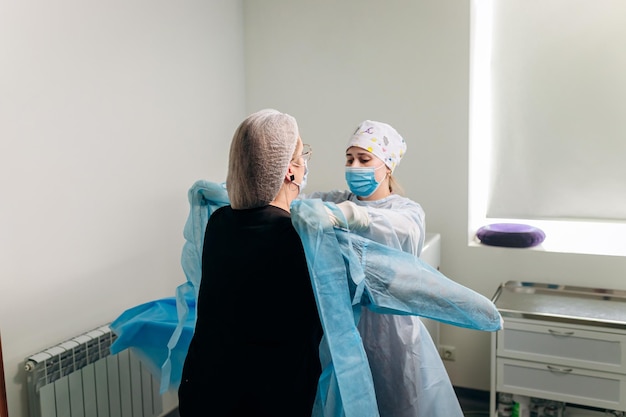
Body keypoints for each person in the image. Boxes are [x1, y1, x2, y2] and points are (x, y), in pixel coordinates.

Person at [307, 120, 464, 417]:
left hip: (390, 329)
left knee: (395, 400)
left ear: (388, 166)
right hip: (343, 325)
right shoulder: (338, 201)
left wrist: (360, 217)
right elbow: (295, 203)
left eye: (364, 159)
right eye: (349, 159)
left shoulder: (406, 211)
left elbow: (401, 231)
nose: (354, 166)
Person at [177, 109, 322, 417]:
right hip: (270, 397)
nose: (305, 162)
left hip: (205, 387)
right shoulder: (298, 236)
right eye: (302, 154)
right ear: (289, 171)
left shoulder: (219, 222)